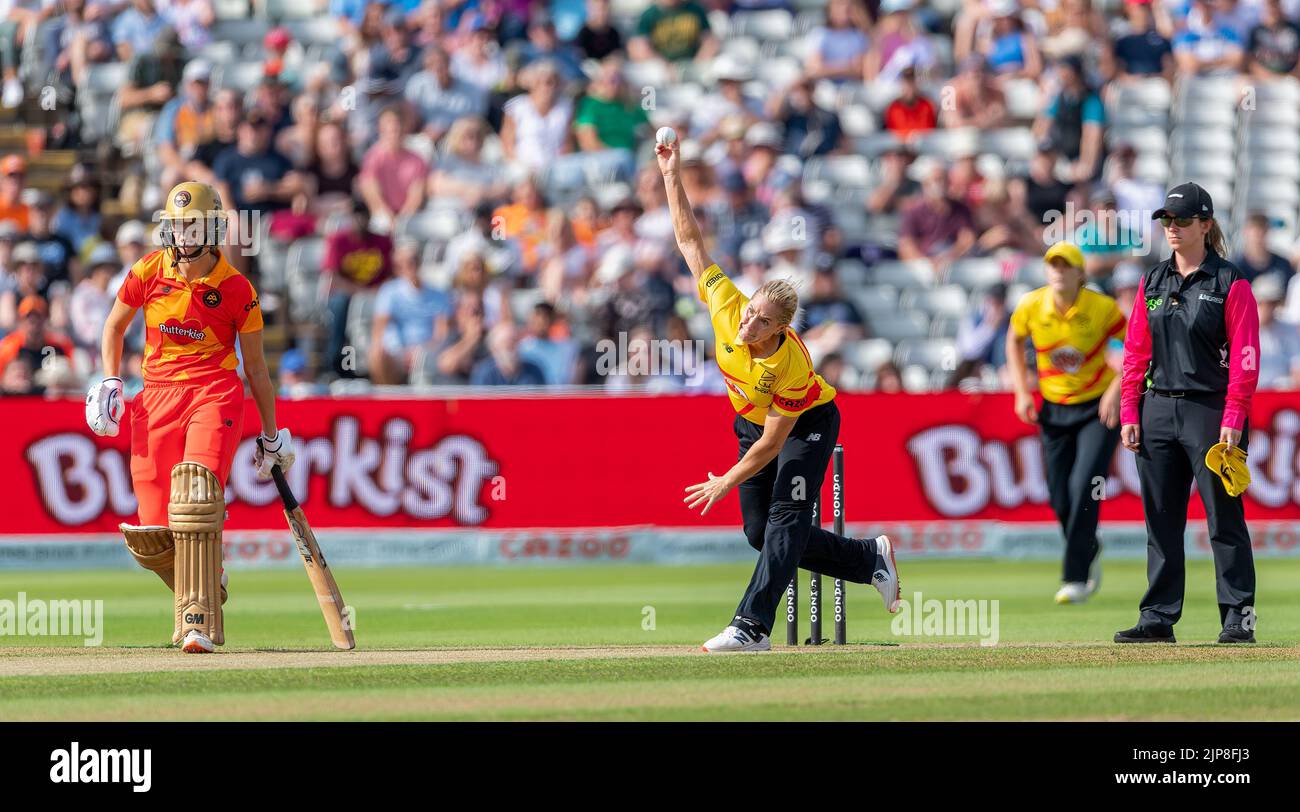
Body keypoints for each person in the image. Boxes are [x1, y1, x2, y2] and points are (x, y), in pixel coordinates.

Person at [656, 135, 901, 653]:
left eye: (763, 321)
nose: (749, 323)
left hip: (806, 424)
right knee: (759, 532)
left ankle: (751, 628)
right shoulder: (727, 303)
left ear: (783, 326)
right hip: (751, 423)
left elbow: (772, 445)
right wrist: (670, 173)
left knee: (786, 520)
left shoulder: (789, 361)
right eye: (751, 312)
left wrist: (723, 480)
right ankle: (868, 559)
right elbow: (688, 241)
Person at [85, 181, 293, 654]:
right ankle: (204, 579)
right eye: (176, 225)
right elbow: (114, 325)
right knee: (153, 533)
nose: (182, 235)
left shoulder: (238, 289)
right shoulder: (149, 270)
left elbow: (257, 369)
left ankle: (196, 623)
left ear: (213, 228)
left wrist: (270, 434)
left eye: (192, 225)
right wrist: (110, 379)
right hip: (154, 398)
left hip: (214, 394)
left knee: (196, 494)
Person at [1118, 182, 1260, 644]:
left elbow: (1245, 357)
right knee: (1160, 518)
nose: (1172, 228)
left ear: (1206, 225)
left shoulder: (1230, 282)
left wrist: (1234, 417)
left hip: (1211, 410)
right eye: (1167, 221)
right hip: (1157, 408)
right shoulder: (1152, 280)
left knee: (1223, 517)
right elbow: (1136, 351)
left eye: (1182, 220)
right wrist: (1129, 408)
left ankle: (1239, 614)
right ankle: (1158, 616)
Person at [1007, 242, 1126, 604]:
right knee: (1059, 495)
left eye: (1065, 266)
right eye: (1052, 266)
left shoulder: (1102, 308)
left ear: (1080, 274)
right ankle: (1088, 543)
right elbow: (1014, 340)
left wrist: (1116, 391)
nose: (1058, 271)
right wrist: (1021, 391)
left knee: (1085, 485)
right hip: (1054, 408)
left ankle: (1076, 578)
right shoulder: (1031, 304)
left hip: (1097, 409)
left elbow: (1139, 346)